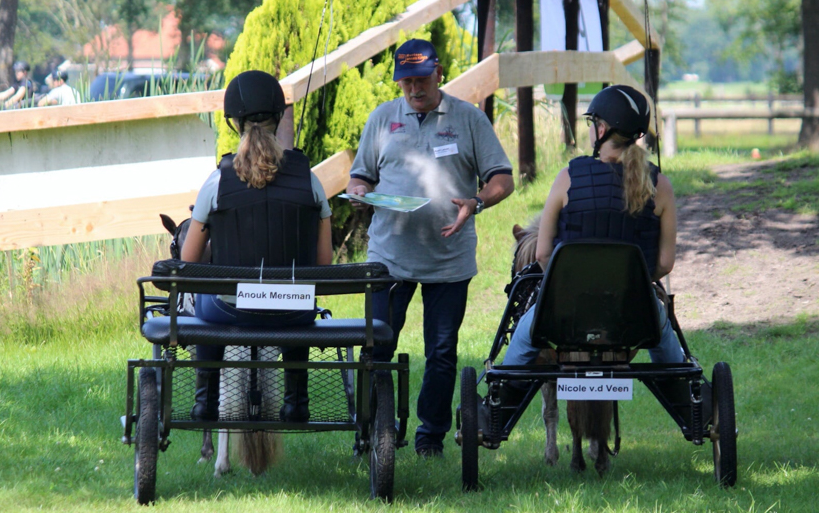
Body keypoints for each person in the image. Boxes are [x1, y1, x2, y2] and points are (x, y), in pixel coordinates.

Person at [346, 38, 515, 457]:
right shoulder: (383, 118)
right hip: (388, 257)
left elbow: (503, 179)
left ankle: (430, 438)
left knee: (441, 353)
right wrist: (358, 191)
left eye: (421, 80)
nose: (414, 89)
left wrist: (476, 202)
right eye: (405, 82)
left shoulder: (469, 118)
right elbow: (360, 176)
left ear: (438, 73)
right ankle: (374, 431)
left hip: (448, 260)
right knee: (378, 347)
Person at [181, 70, 333, 423]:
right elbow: (323, 263)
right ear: (278, 118)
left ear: (235, 123)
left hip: (230, 310)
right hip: (294, 311)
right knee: (297, 298)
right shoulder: (309, 180)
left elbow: (189, 263)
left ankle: (206, 401)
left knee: (204, 295)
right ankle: (296, 401)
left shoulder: (217, 182)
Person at [501, 84, 685, 369]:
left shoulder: (567, 178)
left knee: (521, 344)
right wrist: (635, 282)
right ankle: (685, 391)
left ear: (601, 130)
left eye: (592, 123)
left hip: (566, 308)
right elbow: (665, 263)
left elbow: (542, 254)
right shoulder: (660, 186)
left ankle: (500, 394)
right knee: (668, 349)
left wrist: (564, 285)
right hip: (633, 311)